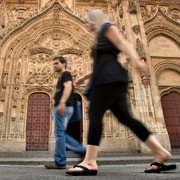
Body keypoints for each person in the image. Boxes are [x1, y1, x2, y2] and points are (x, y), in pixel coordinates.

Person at [66, 9, 176, 176]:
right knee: (126, 118)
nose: (85, 24)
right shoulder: (101, 35)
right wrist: (85, 76)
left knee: (95, 115)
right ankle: (160, 152)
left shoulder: (108, 27)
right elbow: (104, 62)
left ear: (95, 20)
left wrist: (137, 60)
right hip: (111, 78)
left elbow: (124, 44)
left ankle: (89, 161)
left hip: (109, 80)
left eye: (87, 21)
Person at [45, 56, 86, 169]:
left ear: (64, 64)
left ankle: (61, 161)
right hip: (64, 106)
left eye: (56, 63)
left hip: (64, 106)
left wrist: (62, 103)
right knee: (61, 133)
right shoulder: (62, 76)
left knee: (59, 133)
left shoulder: (66, 74)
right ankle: (80, 151)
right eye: (53, 63)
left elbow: (68, 87)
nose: (54, 65)